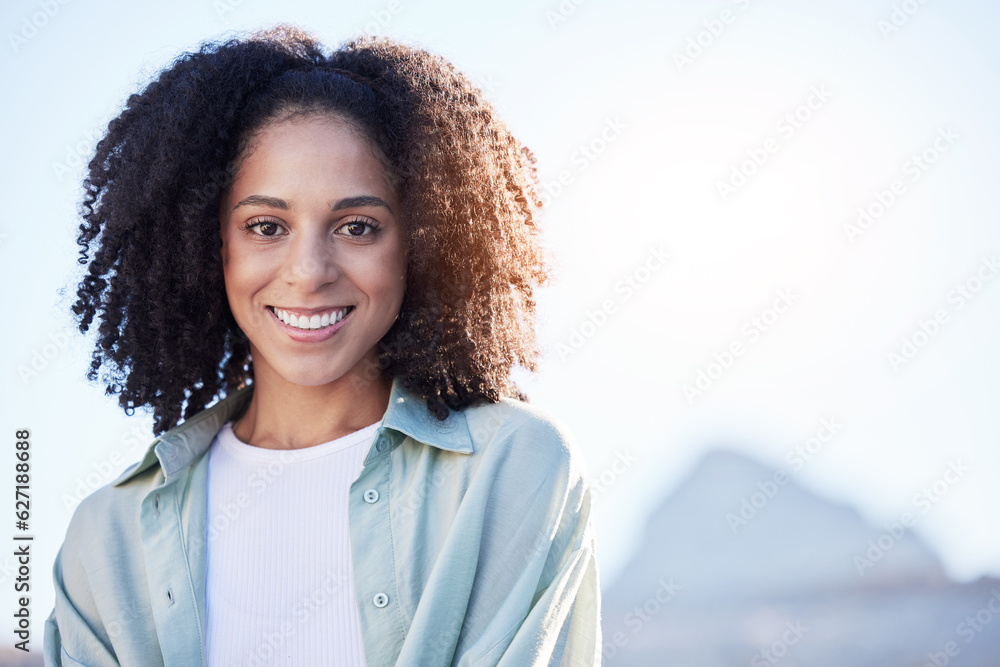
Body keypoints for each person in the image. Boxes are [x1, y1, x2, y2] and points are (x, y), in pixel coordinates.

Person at [43, 25, 601, 667]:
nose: (308, 271)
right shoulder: (105, 540)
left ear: (421, 242)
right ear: (209, 245)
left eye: (357, 227)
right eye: (266, 226)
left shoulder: (514, 469)